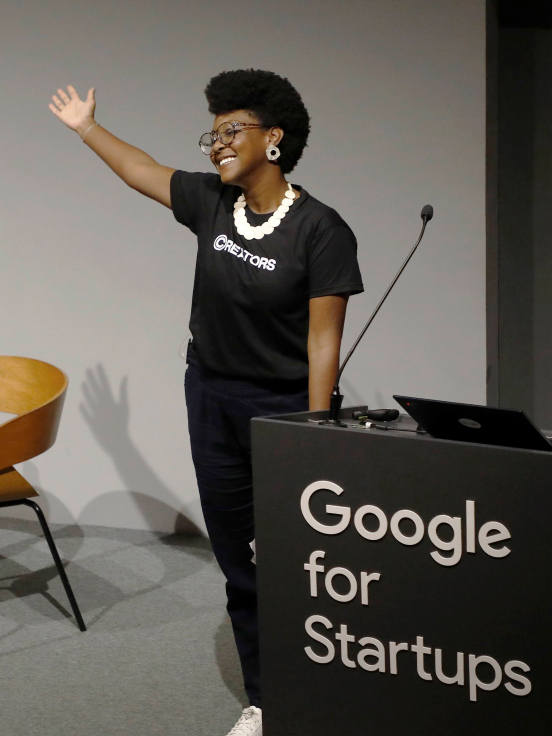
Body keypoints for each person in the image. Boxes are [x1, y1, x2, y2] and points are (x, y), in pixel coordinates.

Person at [49, 68, 364, 736]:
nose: (216, 144)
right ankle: (265, 700)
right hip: (212, 397)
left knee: (296, 561)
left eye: (231, 130)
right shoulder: (212, 203)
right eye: (211, 133)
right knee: (239, 560)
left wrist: (311, 432)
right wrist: (87, 129)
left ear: (273, 138)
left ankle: (328, 688)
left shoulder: (320, 229)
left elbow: (321, 343)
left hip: (285, 412)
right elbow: (140, 169)